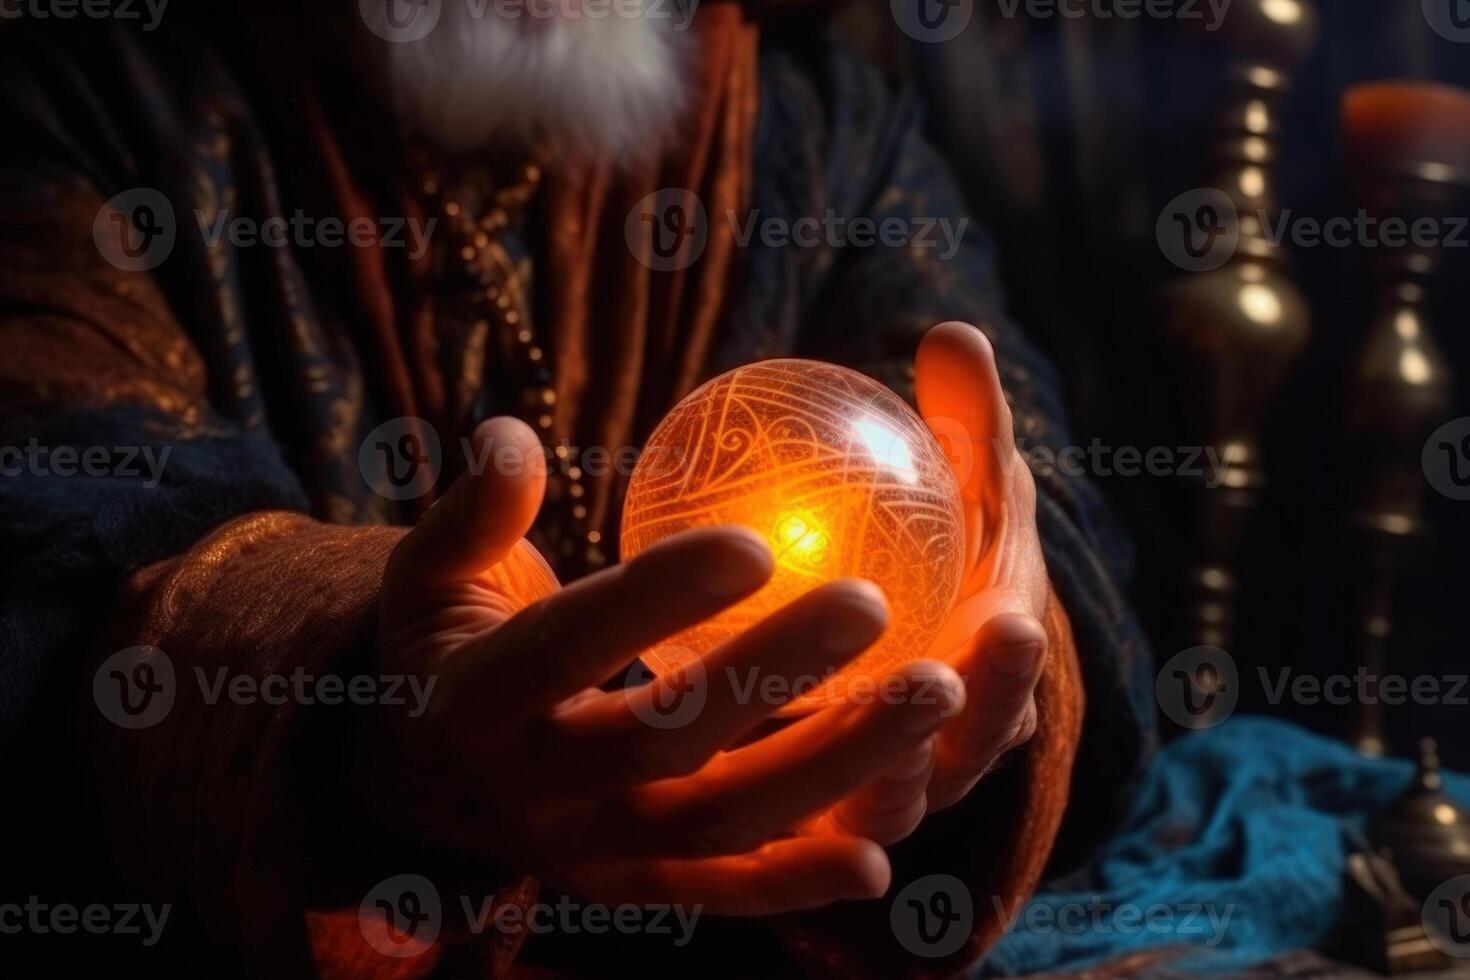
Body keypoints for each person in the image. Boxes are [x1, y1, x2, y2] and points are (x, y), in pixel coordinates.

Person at [0, 1, 1154, 975]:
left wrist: (996, 628)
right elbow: (59, 491)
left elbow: (1028, 487)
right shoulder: (97, 90)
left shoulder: (823, 131)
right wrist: (354, 699)